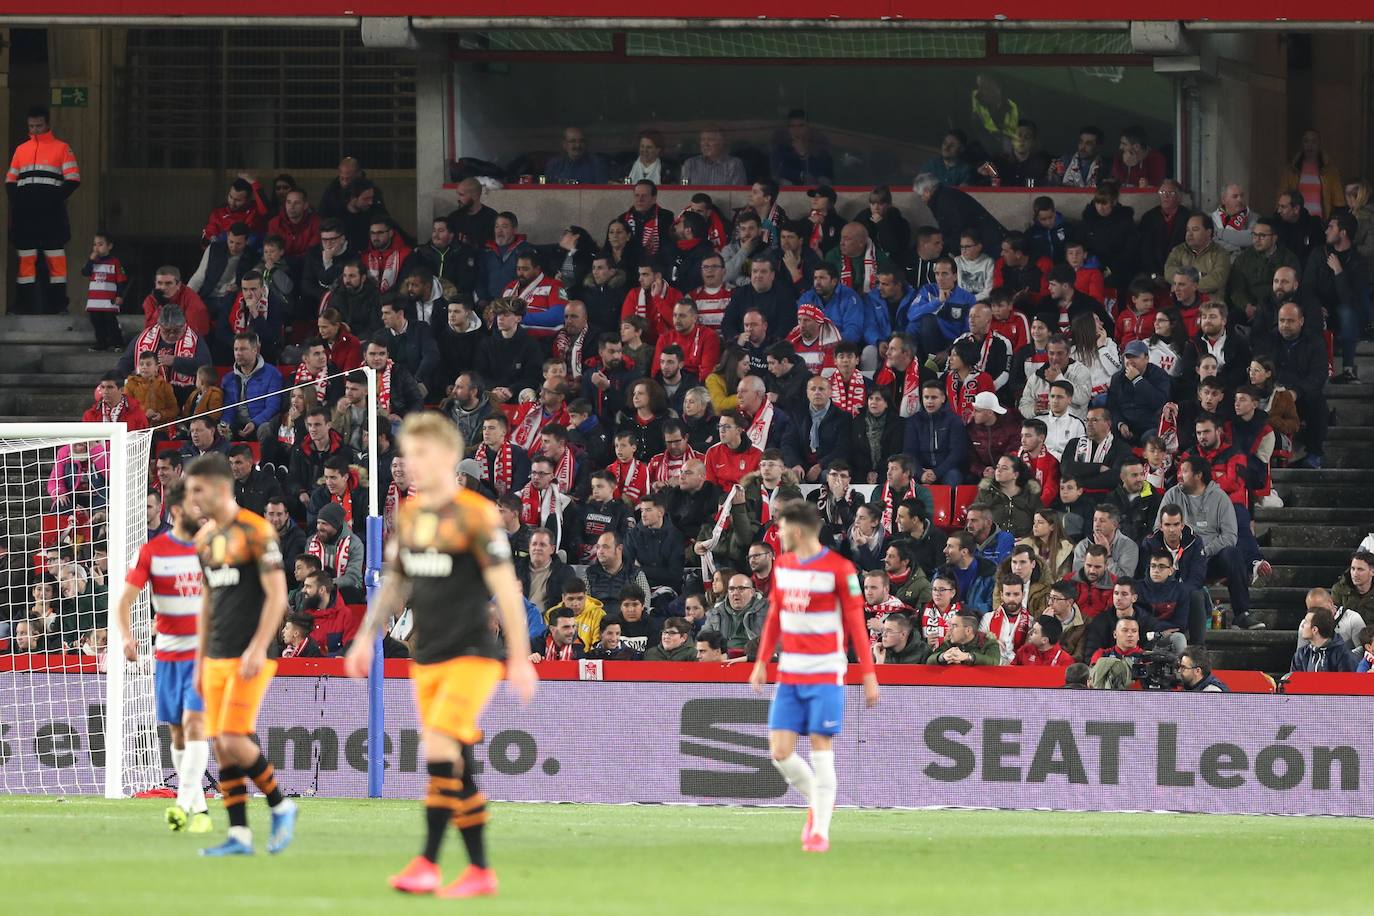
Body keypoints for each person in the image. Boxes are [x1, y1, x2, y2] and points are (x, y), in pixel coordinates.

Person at [342, 413, 535, 897]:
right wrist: (367, 635)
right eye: (407, 454)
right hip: (426, 656)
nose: (410, 464)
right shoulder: (411, 517)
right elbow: (396, 583)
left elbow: (506, 591)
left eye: (421, 454)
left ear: (448, 459)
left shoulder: (477, 516)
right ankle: (479, 871)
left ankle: (427, 862)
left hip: (472, 653)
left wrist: (522, 656)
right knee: (456, 764)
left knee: (438, 749)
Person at [180, 454, 296, 856]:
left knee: (232, 734)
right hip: (215, 655)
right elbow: (208, 604)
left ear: (220, 488)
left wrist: (258, 646)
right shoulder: (205, 540)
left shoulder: (255, 530)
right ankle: (241, 835)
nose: (191, 498)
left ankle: (281, 804)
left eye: (197, 489)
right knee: (222, 744)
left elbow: (278, 594)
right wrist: (198, 662)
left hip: (251, 653)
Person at [747, 502, 877, 853]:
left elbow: (856, 625)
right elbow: (775, 614)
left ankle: (819, 831)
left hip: (825, 673)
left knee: (822, 751)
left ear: (798, 531)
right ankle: (821, 801)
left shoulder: (840, 569)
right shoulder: (785, 566)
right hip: (790, 673)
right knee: (780, 753)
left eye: (782, 528)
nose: (779, 534)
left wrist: (868, 674)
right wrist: (762, 661)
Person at [114, 481, 211, 832]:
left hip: (202, 655)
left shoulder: (210, 551)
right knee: (177, 734)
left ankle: (182, 806)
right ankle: (199, 809)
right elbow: (124, 600)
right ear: (177, 511)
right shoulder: (153, 553)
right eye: (194, 505)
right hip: (167, 656)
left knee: (196, 725)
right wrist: (127, 637)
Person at [7, 105, 81, 313]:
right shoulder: (21, 149)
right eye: (31, 126)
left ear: (47, 125)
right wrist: (19, 201)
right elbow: (10, 180)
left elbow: (73, 179)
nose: (35, 130)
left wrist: (53, 200)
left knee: (55, 263)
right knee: (25, 263)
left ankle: (59, 306)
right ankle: (23, 306)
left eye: (39, 125)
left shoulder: (62, 148)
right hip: (26, 216)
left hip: (51, 216)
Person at [913, 173, 1004, 256]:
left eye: (921, 196)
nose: (922, 200)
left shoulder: (944, 201)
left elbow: (957, 227)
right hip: (986, 239)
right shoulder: (946, 196)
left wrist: (950, 250)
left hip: (988, 243)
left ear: (927, 192)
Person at [1289, 607, 1357, 674]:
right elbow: (1293, 681)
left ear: (1315, 630)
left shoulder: (1344, 655)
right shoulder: (1301, 654)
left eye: (1306, 622)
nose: (1302, 625)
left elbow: (1348, 683)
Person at [927, 609, 1001, 666]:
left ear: (968, 630)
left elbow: (994, 662)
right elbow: (929, 660)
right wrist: (943, 657)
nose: (949, 629)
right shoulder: (949, 643)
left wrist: (968, 657)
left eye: (954, 626)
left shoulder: (988, 643)